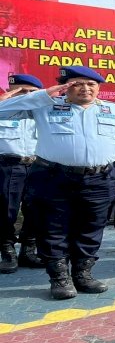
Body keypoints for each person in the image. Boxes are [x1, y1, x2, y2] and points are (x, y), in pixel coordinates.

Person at [0, 66, 115, 299]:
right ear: (65, 87)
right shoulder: (44, 106)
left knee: (91, 227)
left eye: (91, 84)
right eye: (77, 84)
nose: (85, 88)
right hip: (54, 177)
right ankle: (59, 278)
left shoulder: (112, 110)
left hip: (99, 178)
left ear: (99, 87)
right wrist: (43, 94)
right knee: (53, 227)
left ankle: (83, 274)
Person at [0, 74, 43, 273]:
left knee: (36, 209)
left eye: (31, 93)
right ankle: (7, 250)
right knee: (6, 210)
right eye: (21, 91)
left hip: (38, 166)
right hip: (9, 166)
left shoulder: (43, 114)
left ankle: (29, 249)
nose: (26, 97)